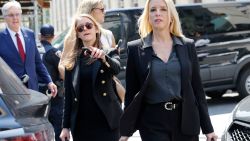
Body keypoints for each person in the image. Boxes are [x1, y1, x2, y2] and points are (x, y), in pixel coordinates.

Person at [119, 0, 218, 141]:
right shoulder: (135, 49)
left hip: (186, 120)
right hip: (152, 123)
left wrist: (208, 129)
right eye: (153, 10)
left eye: (163, 9)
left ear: (171, 15)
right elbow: (132, 93)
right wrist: (125, 132)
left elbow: (198, 90)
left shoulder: (187, 46)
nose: (157, 13)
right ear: (148, 16)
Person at [59, 14, 122, 141]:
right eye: (80, 28)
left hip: (107, 121)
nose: (85, 29)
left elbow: (116, 69)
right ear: (77, 34)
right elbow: (69, 97)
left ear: (96, 29)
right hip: (82, 125)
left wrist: (104, 57)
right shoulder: (72, 61)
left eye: (88, 26)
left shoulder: (109, 52)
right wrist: (65, 127)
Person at [0, 1, 57, 97]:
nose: (15, 18)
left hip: (33, 89)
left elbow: (38, 62)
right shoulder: (1, 38)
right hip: (11, 92)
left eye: (17, 14)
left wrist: (49, 81)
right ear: (4, 17)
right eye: (11, 15)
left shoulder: (29, 34)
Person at [58, 0, 116, 80]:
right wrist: (75, 86)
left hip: (106, 88)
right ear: (90, 10)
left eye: (89, 26)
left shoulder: (108, 35)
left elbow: (115, 66)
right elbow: (62, 65)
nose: (104, 12)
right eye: (102, 9)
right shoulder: (73, 37)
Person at [39, 24, 64, 141]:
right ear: (53, 36)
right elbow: (63, 70)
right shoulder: (54, 52)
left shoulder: (33, 50)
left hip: (36, 93)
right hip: (53, 93)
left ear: (40, 36)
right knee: (58, 124)